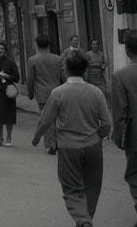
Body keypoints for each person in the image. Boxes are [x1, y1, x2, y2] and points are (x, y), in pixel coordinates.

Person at [32, 53, 111, 227]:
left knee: (71, 188)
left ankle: (83, 220)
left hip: (68, 147)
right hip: (93, 146)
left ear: (66, 70)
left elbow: (45, 120)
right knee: (92, 186)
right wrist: (98, 135)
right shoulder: (96, 92)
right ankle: (86, 218)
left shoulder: (59, 93)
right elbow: (107, 123)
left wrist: (37, 137)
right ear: (85, 70)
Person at [112, 29, 137, 227]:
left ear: (127, 50)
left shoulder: (120, 76)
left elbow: (119, 112)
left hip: (136, 135)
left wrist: (118, 138)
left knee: (135, 172)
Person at [27, 34, 65, 154]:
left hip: (42, 94)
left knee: (47, 119)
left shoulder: (33, 60)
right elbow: (63, 77)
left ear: (37, 45)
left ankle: (52, 144)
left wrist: (30, 93)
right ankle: (60, 141)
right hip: (58, 92)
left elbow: (30, 79)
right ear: (49, 45)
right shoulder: (58, 59)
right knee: (59, 118)